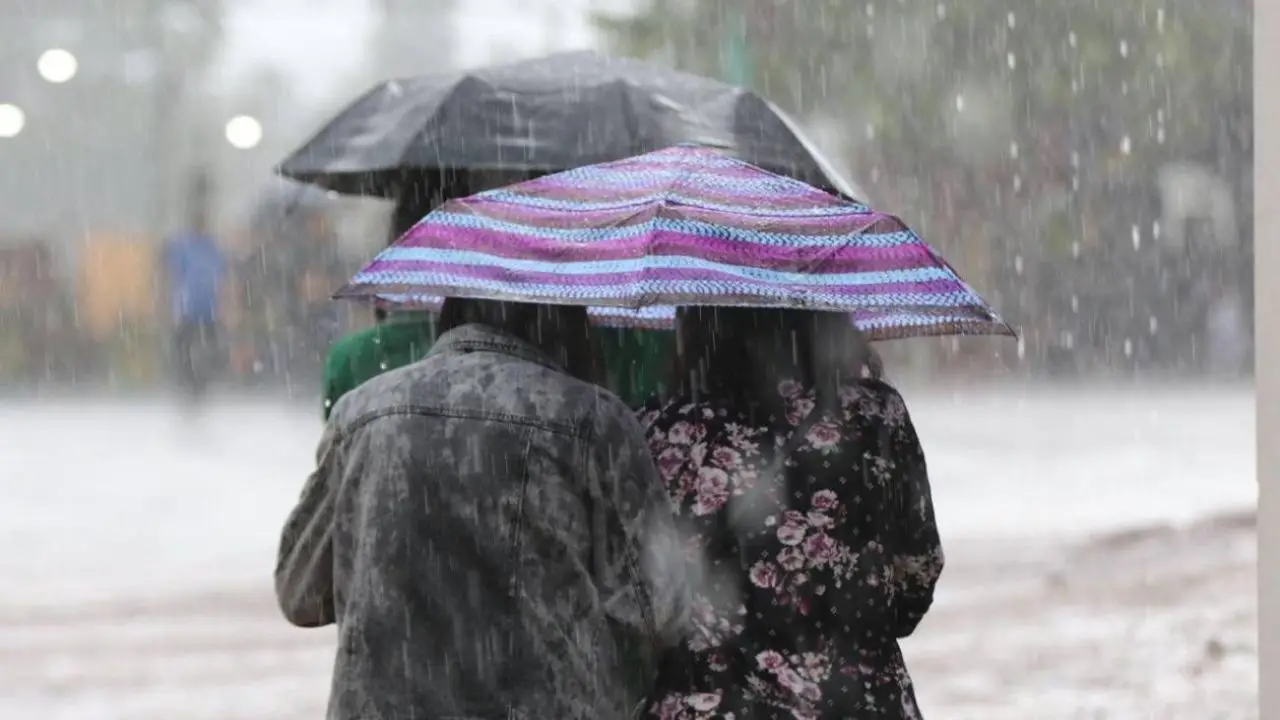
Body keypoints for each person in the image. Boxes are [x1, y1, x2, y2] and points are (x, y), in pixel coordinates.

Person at [275, 297, 692, 719]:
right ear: (564, 317)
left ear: (451, 306)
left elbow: (300, 593)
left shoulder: (360, 414)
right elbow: (659, 610)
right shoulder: (591, 420)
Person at [640, 306, 942, 719]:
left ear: (700, 318)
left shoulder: (661, 428)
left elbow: (640, 600)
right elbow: (916, 579)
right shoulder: (876, 418)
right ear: (825, 311)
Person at [161, 173, 226, 398]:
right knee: (184, 346)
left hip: (208, 307)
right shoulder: (183, 245)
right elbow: (172, 274)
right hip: (188, 307)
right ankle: (186, 379)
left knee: (209, 345)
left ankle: (204, 380)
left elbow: (221, 274)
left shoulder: (212, 246)